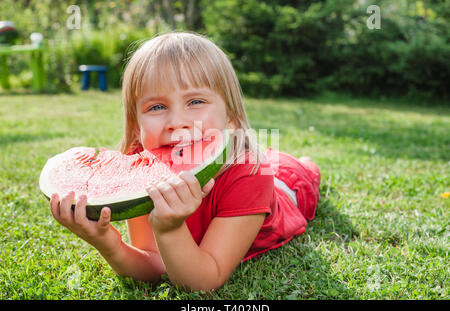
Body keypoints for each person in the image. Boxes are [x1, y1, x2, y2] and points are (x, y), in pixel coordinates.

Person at [49, 31, 321, 292]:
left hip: (285, 188)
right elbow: (155, 263)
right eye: (156, 107)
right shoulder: (140, 168)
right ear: (136, 127)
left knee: (297, 171)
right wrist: (109, 245)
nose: (177, 122)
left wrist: (170, 229)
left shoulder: (251, 173)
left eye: (196, 101)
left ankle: (306, 167)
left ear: (231, 118)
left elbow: (204, 281)